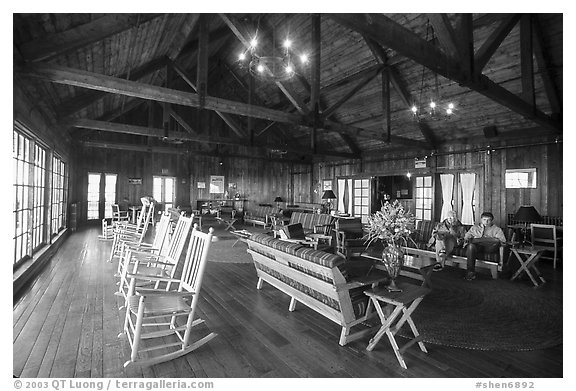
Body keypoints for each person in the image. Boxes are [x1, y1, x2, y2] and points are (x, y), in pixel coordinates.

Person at [463, 212, 506, 281]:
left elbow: (503, 241)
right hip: (477, 247)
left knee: (496, 241)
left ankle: (479, 240)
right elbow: (466, 237)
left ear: (492, 221)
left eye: (488, 220)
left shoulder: (497, 229)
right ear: (481, 219)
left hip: (489, 248)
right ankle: (470, 272)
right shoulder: (475, 227)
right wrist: (469, 238)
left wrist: (487, 240)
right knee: (471, 246)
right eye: (484, 219)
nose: (486, 222)